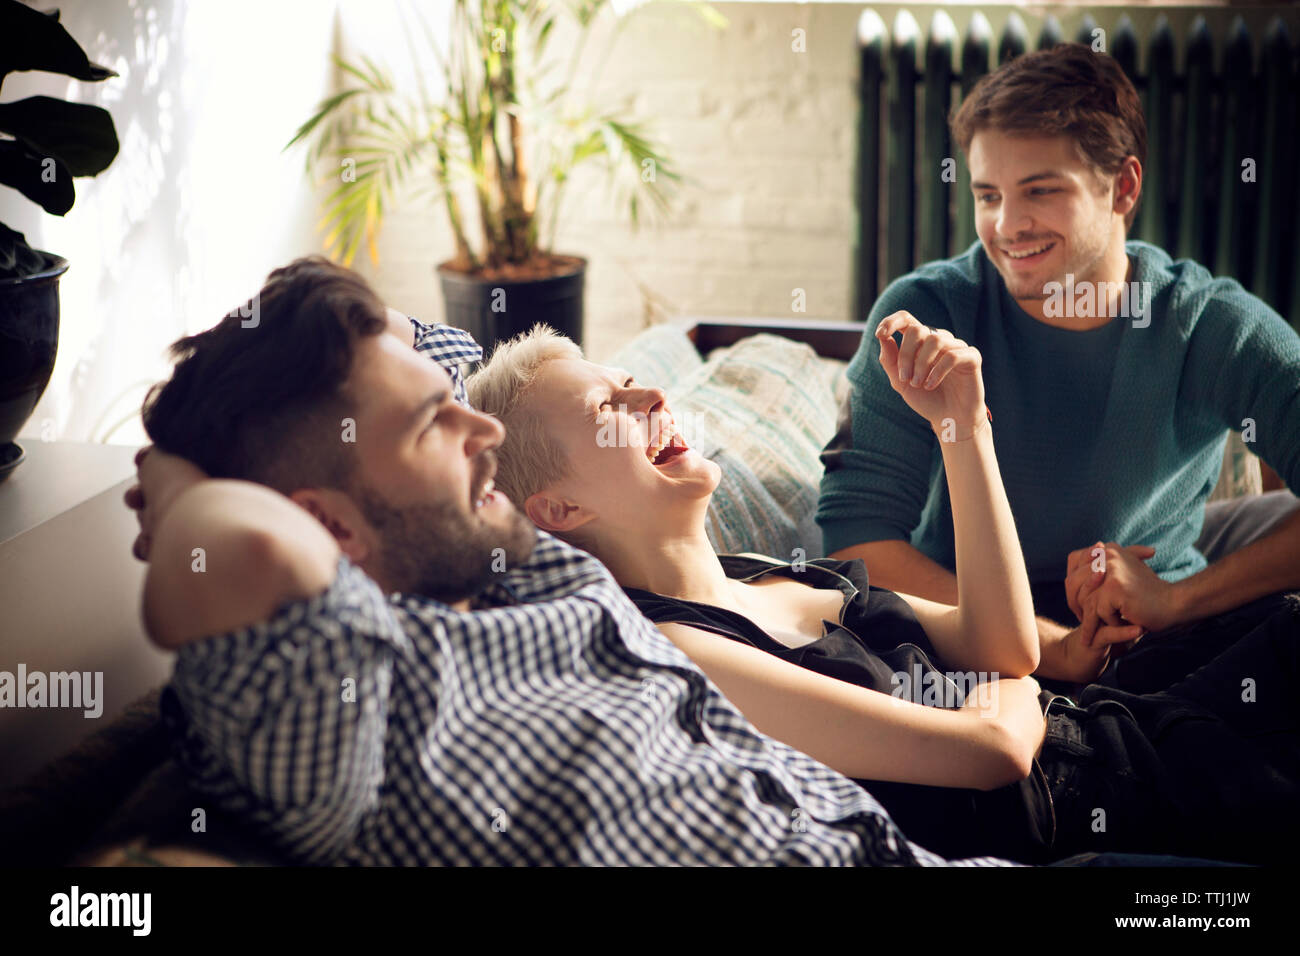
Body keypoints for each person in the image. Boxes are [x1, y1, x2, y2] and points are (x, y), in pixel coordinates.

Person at [125, 255, 1024, 867]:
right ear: (327, 526)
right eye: (434, 425)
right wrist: (171, 473)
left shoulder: (515, 566)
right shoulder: (352, 701)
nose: (480, 431)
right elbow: (237, 545)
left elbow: (450, 363)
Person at [467, 320, 1300, 864]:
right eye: (607, 405)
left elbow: (1004, 646)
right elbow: (990, 754)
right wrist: (1009, 691)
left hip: (1113, 729)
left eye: (632, 379)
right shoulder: (686, 657)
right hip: (1095, 808)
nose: (649, 395)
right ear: (561, 509)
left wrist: (960, 428)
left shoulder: (762, 572)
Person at [816, 43, 1300, 666]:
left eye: (1040, 191)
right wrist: (1050, 647)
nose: (1008, 225)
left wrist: (1177, 601)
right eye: (988, 196)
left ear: (1122, 188)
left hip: (1161, 645)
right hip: (957, 640)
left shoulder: (1208, 325)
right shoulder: (923, 315)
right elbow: (855, 542)